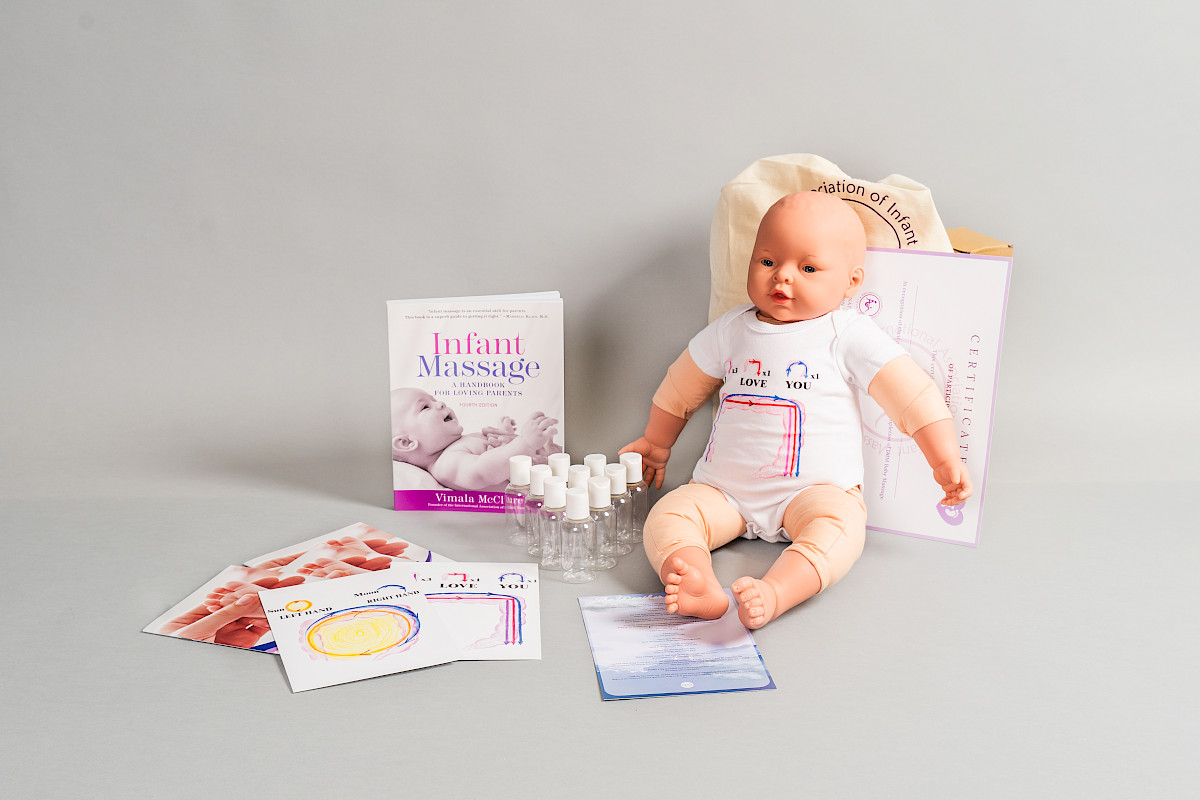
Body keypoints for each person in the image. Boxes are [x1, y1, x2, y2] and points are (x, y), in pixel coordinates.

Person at [619, 192, 971, 629]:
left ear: (851, 282)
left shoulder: (846, 334)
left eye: (808, 268)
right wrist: (657, 442)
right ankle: (695, 578)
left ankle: (777, 591)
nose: (782, 276)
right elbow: (681, 387)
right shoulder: (732, 329)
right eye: (767, 261)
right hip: (724, 491)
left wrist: (944, 457)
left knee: (840, 528)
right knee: (670, 514)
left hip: (814, 492)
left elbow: (911, 394)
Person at [391, 388, 558, 491]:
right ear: (407, 443)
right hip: (542, 494)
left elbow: (492, 454)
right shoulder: (445, 465)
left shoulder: (454, 446)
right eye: (425, 406)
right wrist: (524, 443)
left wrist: (504, 435)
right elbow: (484, 471)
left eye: (434, 399)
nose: (440, 403)